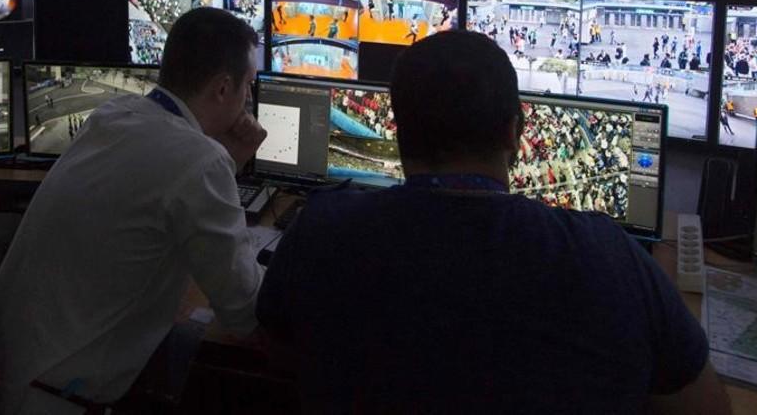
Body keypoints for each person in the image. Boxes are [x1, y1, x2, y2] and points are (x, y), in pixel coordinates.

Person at [257, 31, 730, 413]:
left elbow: (274, 345)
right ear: (514, 131)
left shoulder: (321, 230)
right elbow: (709, 407)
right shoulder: (610, 255)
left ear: (397, 129)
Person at [0, 9, 266, 414]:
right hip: (54, 399)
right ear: (222, 88)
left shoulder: (113, 115)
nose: (249, 99)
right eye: (248, 85)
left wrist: (225, 159)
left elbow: (159, 193)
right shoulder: (199, 162)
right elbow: (245, 314)